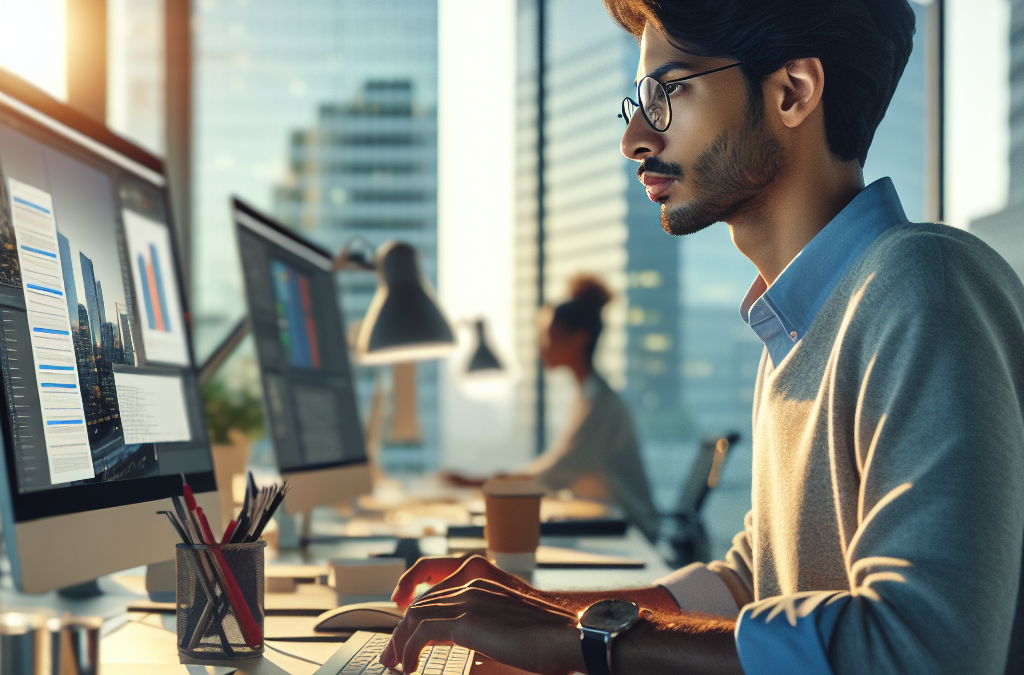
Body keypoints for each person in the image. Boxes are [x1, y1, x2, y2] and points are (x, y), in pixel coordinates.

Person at [382, 0, 1024, 673]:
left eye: (671, 92)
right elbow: (756, 581)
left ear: (792, 92)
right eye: (638, 99)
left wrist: (580, 639)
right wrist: (539, 610)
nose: (633, 137)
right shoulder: (798, 326)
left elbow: (922, 650)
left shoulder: (922, 284)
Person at [446, 275, 661, 542]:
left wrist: (480, 482)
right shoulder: (588, 397)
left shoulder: (602, 405)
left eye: (551, 337)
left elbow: (557, 472)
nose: (542, 348)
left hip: (632, 532)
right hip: (607, 525)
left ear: (579, 339)